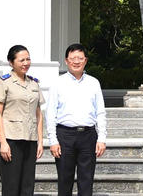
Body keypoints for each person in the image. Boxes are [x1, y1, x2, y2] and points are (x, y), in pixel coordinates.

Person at [47, 43, 107, 196]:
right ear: (66, 61)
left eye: (80, 58)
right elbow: (50, 113)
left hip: (88, 136)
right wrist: (53, 140)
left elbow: (100, 112)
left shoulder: (93, 82)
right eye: (72, 58)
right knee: (64, 180)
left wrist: (102, 138)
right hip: (64, 136)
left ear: (85, 60)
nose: (76, 61)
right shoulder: (57, 83)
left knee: (86, 180)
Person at [0, 44, 45, 196]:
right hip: (11, 139)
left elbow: (38, 114)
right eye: (21, 60)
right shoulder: (4, 82)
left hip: (30, 139)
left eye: (28, 59)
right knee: (11, 186)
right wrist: (3, 143)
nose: (26, 63)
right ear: (11, 62)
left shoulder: (34, 83)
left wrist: (40, 141)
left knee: (27, 186)